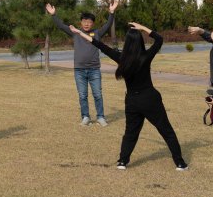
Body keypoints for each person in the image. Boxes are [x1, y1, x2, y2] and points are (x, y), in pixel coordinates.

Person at [74, 21, 187, 171]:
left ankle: (122, 161)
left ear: (127, 43)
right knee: (166, 131)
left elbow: (100, 45)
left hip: (132, 101)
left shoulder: (122, 58)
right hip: (149, 99)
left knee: (130, 133)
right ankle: (180, 163)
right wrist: (142, 28)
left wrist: (80, 33)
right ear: (140, 41)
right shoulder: (145, 56)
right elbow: (159, 39)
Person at [46, 0, 118, 126]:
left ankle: (100, 117)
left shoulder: (96, 33)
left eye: (89, 22)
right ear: (81, 22)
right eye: (84, 21)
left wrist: (111, 12)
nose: (86, 24)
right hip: (79, 70)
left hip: (94, 69)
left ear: (92, 23)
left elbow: (107, 25)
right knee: (83, 95)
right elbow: (61, 26)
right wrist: (53, 15)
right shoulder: (75, 32)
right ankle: (85, 117)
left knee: (97, 94)